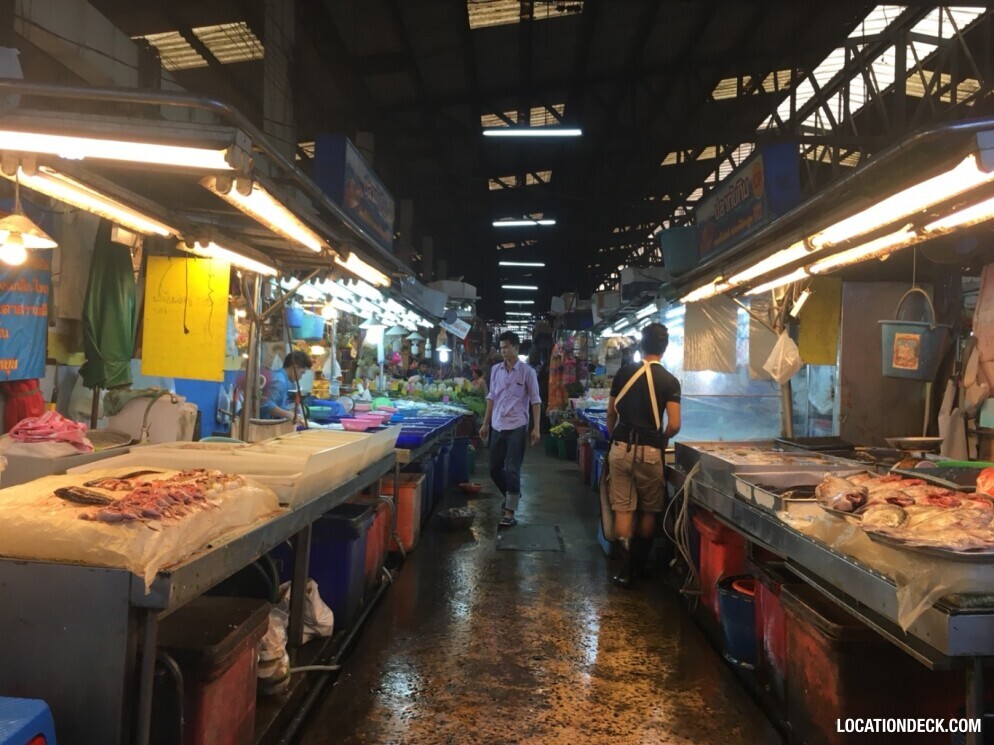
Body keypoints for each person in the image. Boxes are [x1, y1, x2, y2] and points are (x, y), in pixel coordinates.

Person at [605, 323, 681, 588]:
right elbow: (674, 424)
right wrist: (661, 439)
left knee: (624, 508)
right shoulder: (669, 381)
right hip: (650, 452)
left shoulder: (624, 373)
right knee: (650, 509)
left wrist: (616, 437)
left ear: (640, 345)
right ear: (665, 347)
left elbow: (611, 413)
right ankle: (637, 567)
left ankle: (623, 570)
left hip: (621, 448)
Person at [479, 331, 542, 528]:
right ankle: (512, 494)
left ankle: (509, 512)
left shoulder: (527, 372)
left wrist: (536, 428)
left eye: (506, 347)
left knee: (513, 469)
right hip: (498, 424)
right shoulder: (496, 370)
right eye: (501, 347)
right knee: (494, 468)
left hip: (517, 425)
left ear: (515, 347)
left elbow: (535, 401)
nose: (503, 351)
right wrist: (485, 423)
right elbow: (491, 397)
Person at [260, 351, 313, 424]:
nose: (301, 377)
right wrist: (288, 415)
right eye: (301, 373)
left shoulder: (281, 377)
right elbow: (266, 404)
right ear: (294, 367)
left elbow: (278, 404)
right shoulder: (280, 381)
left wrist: (291, 412)